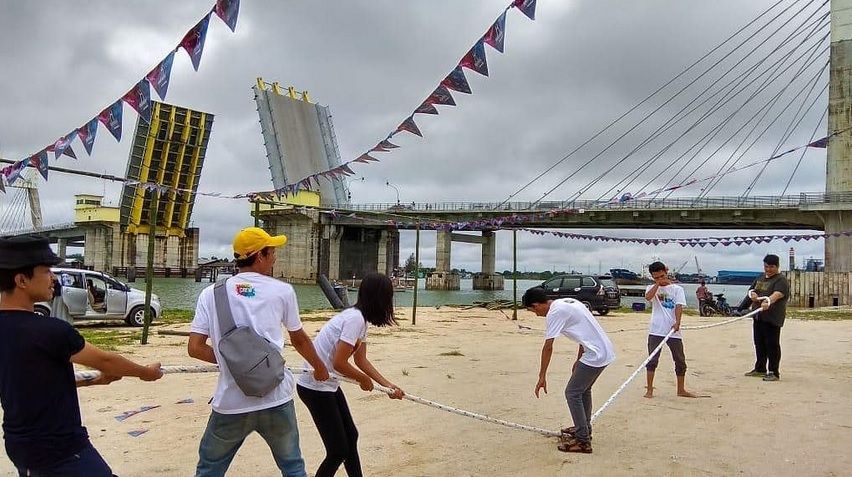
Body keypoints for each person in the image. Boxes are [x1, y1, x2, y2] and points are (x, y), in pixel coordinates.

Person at [0, 235, 163, 476]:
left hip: (19, 444)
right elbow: (106, 360)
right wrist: (145, 372)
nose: (53, 278)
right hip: (61, 448)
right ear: (21, 279)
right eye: (46, 271)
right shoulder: (51, 331)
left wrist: (95, 380)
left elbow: (22, 382)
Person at [188, 227, 329, 477]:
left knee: (209, 469)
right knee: (293, 467)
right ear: (261, 256)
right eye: (272, 251)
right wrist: (319, 367)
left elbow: (195, 348)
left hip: (231, 401)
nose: (275, 257)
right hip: (276, 397)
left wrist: (233, 364)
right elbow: (299, 340)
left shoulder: (210, 294)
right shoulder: (282, 291)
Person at [296, 273, 405, 477]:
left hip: (327, 385)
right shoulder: (354, 319)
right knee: (337, 451)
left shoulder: (361, 320)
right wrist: (362, 379)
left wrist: (388, 385)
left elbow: (360, 360)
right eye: (389, 297)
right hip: (314, 387)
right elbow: (339, 362)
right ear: (379, 299)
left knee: (350, 437)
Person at [525, 287, 615, 454]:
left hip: (596, 354)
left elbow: (548, 347)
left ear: (537, 305)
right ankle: (584, 428)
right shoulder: (567, 302)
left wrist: (542, 376)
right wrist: (578, 358)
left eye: (533, 311)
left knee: (572, 393)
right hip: (602, 350)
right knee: (583, 390)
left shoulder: (554, 313)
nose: (536, 315)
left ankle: (583, 441)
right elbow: (584, 331)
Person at [644, 261, 697, 398]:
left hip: (673, 330)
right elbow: (648, 298)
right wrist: (657, 284)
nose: (660, 279)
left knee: (680, 360)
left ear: (666, 273)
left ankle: (681, 389)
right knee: (652, 360)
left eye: (661, 276)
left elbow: (679, 306)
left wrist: (678, 322)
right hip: (656, 330)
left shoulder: (677, 289)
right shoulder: (651, 287)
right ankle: (649, 389)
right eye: (656, 277)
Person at [743, 254, 790, 382]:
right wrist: (752, 294)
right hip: (758, 317)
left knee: (772, 345)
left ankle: (773, 372)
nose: (768, 269)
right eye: (766, 266)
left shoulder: (781, 280)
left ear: (777, 266)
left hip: (772, 318)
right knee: (759, 343)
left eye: (771, 267)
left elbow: (777, 294)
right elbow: (752, 290)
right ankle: (760, 369)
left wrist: (768, 301)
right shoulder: (760, 277)